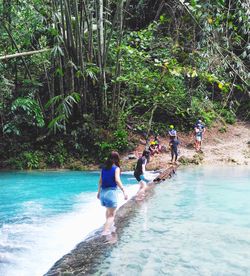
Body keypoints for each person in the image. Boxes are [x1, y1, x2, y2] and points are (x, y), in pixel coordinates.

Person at [97, 151, 128, 236]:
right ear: (117, 159)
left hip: (103, 193)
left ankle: (108, 226)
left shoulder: (103, 168)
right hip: (110, 193)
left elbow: (100, 181)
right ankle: (105, 231)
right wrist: (124, 190)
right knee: (112, 215)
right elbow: (117, 180)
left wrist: (98, 192)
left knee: (108, 210)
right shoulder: (116, 168)